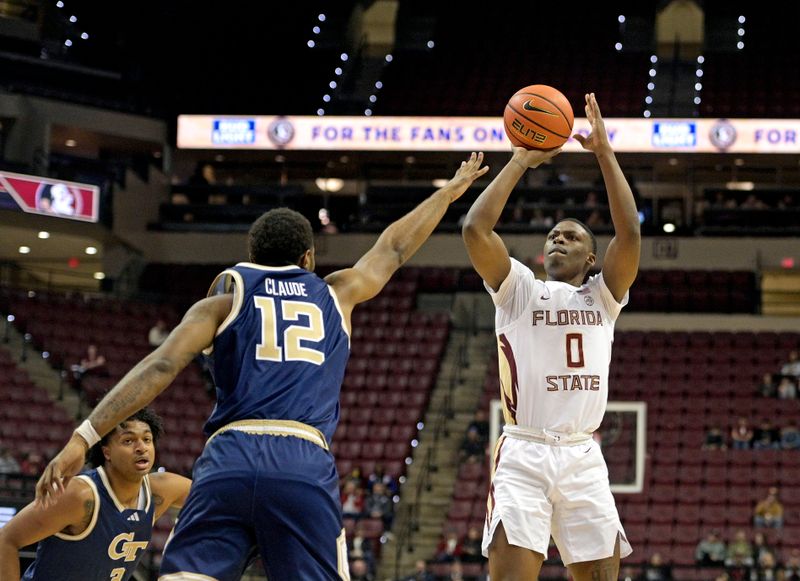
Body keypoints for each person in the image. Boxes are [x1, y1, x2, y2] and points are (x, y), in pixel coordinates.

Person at [36, 153, 489, 580]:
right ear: (308, 258)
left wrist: (84, 438)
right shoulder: (337, 293)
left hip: (229, 457)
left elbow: (160, 367)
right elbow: (392, 247)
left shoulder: (221, 301)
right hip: (302, 459)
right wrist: (449, 191)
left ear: (251, 257)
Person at [462, 93, 640, 581]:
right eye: (553, 236)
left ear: (590, 260)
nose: (558, 239)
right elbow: (476, 229)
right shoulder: (520, 290)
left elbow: (629, 237)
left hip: (582, 453)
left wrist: (604, 153)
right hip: (525, 452)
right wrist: (520, 158)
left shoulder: (603, 297)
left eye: (573, 237)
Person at [0, 409, 190, 580]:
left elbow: (214, 498)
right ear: (106, 452)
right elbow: (6, 539)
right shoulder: (80, 495)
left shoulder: (162, 488)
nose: (141, 447)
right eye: (128, 441)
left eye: (147, 439)